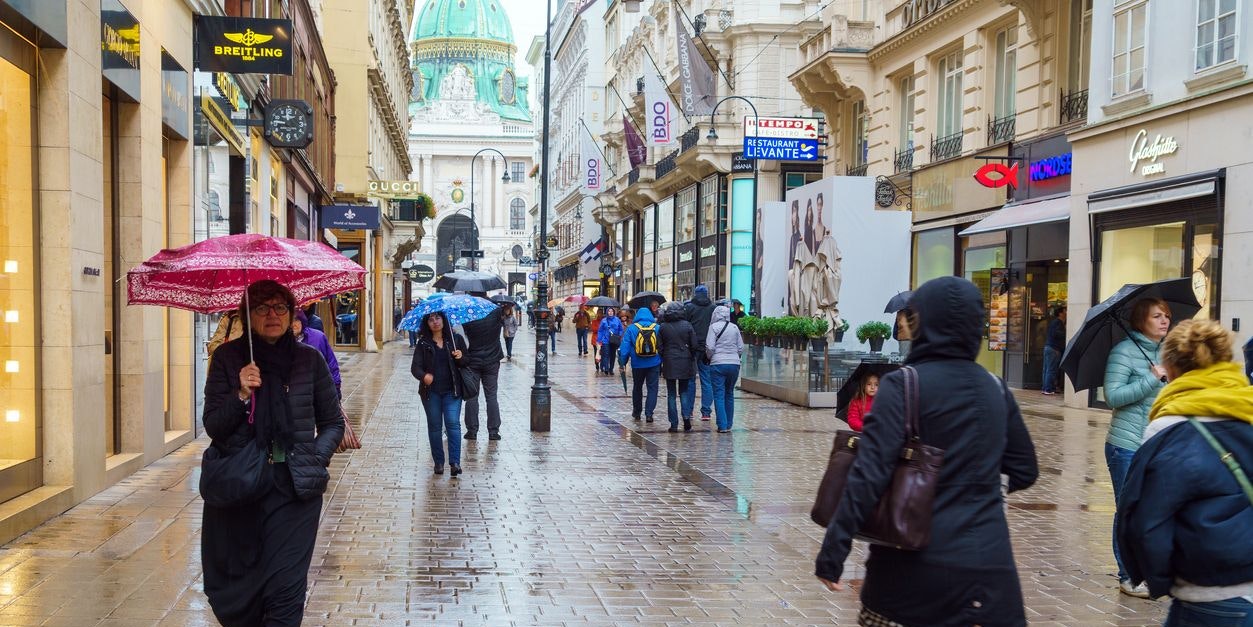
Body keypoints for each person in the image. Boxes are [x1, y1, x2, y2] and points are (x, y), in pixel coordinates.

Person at [815, 276, 1039, 626]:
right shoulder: (996, 388)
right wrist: (979, 486)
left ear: (924, 322)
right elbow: (1025, 469)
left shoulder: (902, 386)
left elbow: (868, 476)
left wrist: (834, 551)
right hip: (989, 576)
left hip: (911, 577)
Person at [201, 280, 343, 627]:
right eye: (262, 307)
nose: (272, 315)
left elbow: (333, 423)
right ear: (247, 315)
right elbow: (214, 427)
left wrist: (314, 457)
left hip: (294, 491)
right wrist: (241, 394)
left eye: (281, 307)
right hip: (240, 488)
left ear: (293, 313)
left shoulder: (308, 361)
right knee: (237, 592)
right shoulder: (227, 358)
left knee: (285, 591)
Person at [1118, 319, 1253, 622]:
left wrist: (1161, 579)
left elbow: (1146, 518)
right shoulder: (1247, 405)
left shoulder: (1166, 426)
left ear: (1172, 367)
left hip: (1208, 591)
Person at [1103, 297, 1171, 598]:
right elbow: (1113, 397)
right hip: (1126, 445)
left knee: (1153, 510)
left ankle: (1149, 571)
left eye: (1167, 315)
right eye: (1157, 316)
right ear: (1141, 320)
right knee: (1128, 510)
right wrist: (1150, 378)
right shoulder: (1123, 352)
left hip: (1157, 444)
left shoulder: (1167, 352)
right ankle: (1128, 575)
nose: (1164, 320)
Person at [410, 311, 468, 476]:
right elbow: (415, 368)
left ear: (444, 320)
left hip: (452, 391)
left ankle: (455, 463)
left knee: (453, 424)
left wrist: (461, 356)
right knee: (435, 427)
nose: (435, 322)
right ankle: (439, 463)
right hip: (431, 393)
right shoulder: (423, 344)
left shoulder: (455, 340)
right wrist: (424, 376)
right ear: (427, 324)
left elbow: (466, 362)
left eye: (438, 318)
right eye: (431, 319)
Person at [460, 306, 505, 441]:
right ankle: (493, 431)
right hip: (492, 359)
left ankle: (472, 431)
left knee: (472, 395)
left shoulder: (467, 311)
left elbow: (464, 333)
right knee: (491, 396)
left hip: (472, 360)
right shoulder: (496, 310)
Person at [658, 301, 699, 432]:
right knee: (684, 392)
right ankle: (686, 418)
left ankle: (674, 423)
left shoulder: (663, 327)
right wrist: (691, 356)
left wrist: (665, 356)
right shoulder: (687, 325)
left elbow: (660, 346)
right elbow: (694, 345)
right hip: (684, 360)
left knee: (671, 393)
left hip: (669, 361)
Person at [619, 305, 662, 423]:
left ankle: (637, 412)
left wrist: (623, 362)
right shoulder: (657, 328)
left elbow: (625, 349)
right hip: (654, 363)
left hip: (637, 364)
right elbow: (662, 346)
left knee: (637, 387)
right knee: (652, 388)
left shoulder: (632, 328)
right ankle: (649, 414)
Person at [704, 304, 743, 433]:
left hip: (718, 364)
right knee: (729, 393)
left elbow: (710, 347)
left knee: (719, 395)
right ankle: (729, 423)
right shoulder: (734, 327)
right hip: (734, 364)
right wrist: (735, 357)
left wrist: (710, 357)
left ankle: (722, 425)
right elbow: (740, 347)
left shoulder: (713, 327)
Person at [685, 285, 717, 422]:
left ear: (695, 294)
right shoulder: (712, 308)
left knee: (691, 380)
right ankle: (706, 412)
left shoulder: (690, 307)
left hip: (692, 348)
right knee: (707, 380)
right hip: (707, 348)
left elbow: (685, 325)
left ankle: (690, 410)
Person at [293, 309, 341, 399]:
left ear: (302, 320)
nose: (293, 324)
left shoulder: (318, 337)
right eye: (289, 320)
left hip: (319, 389)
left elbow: (331, 364)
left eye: (296, 319)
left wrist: (336, 389)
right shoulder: (280, 342)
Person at [1043, 306, 1067, 395]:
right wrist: (1066, 331)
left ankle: (1046, 388)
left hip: (1049, 348)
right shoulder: (1057, 322)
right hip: (1054, 348)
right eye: (1065, 311)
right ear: (1060, 313)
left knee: (1047, 369)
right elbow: (1055, 334)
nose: (1067, 313)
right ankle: (1048, 389)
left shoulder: (1056, 322)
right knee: (1051, 370)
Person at [597, 307, 625, 375]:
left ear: (614, 312)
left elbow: (621, 329)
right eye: (609, 311)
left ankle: (611, 369)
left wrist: (619, 335)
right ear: (607, 312)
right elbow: (600, 331)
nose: (610, 312)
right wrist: (599, 340)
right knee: (606, 354)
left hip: (614, 340)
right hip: (606, 340)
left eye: (611, 311)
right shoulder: (604, 320)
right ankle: (606, 368)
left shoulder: (617, 320)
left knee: (612, 355)